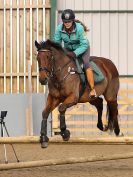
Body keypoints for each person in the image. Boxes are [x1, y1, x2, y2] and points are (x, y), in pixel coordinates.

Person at [53, 9, 97, 98]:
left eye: (69, 21)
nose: (67, 23)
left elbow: (84, 44)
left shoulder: (80, 28)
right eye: (65, 22)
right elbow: (56, 44)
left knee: (86, 63)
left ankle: (92, 89)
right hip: (68, 49)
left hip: (83, 48)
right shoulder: (59, 28)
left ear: (73, 21)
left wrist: (75, 53)